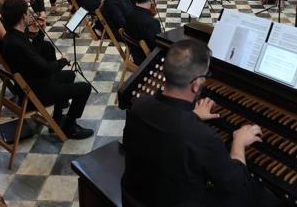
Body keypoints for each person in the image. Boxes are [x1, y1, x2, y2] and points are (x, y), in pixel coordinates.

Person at [122, 39, 284, 207]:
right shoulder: (200, 135)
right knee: (260, 195)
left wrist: (191, 115)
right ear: (196, 84)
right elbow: (234, 184)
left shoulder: (140, 105)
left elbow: (163, 136)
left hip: (134, 196)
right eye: (206, 75)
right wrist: (238, 142)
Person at [1, 0, 93, 139]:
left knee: (70, 75)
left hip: (33, 81)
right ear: (23, 16)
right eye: (28, 12)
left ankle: (57, 119)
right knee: (85, 88)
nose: (30, 15)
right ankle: (70, 127)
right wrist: (62, 61)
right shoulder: (17, 42)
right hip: (37, 91)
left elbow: (33, 54)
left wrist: (39, 32)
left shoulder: (13, 36)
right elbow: (45, 68)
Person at [123, 0, 161, 64]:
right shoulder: (152, 23)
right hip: (146, 60)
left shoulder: (128, 11)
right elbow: (157, 49)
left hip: (135, 53)